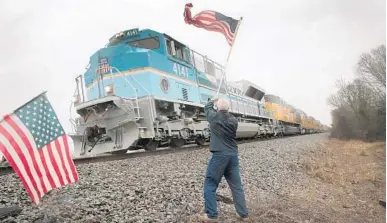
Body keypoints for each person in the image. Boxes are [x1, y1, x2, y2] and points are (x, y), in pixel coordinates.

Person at [199, 96, 249, 222]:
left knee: (210, 184)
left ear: (217, 108)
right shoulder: (234, 120)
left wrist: (213, 100)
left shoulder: (214, 117)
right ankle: (243, 214)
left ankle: (211, 215)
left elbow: (207, 107)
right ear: (229, 109)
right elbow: (223, 112)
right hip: (233, 156)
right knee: (236, 186)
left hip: (220, 156)